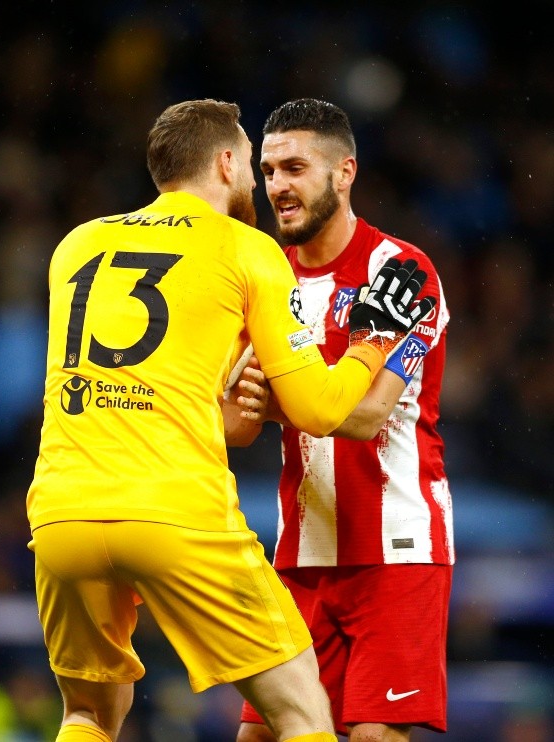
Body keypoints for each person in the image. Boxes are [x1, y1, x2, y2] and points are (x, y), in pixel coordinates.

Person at [25, 98, 433, 742]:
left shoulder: (77, 244)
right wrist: (371, 343)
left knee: (86, 717)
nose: (261, 186)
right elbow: (324, 409)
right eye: (253, 166)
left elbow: (197, 403)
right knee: (301, 714)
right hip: (174, 511)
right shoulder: (247, 251)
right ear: (224, 162)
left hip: (60, 514)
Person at [237, 99, 453, 742]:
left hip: (396, 552)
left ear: (344, 172)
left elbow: (365, 416)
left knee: (371, 735)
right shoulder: (261, 277)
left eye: (295, 168)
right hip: (299, 556)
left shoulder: (404, 274)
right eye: (269, 170)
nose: (278, 186)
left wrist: (272, 401)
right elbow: (233, 424)